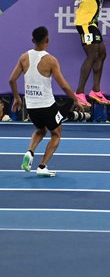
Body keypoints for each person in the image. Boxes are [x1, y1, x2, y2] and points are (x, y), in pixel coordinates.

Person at [8, 26, 85, 177]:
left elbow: (11, 80)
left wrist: (17, 98)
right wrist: (76, 100)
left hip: (31, 105)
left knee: (40, 130)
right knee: (56, 133)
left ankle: (30, 152)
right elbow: (63, 85)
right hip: (47, 105)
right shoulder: (51, 60)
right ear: (47, 40)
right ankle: (42, 166)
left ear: (32, 40)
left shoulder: (24, 57)